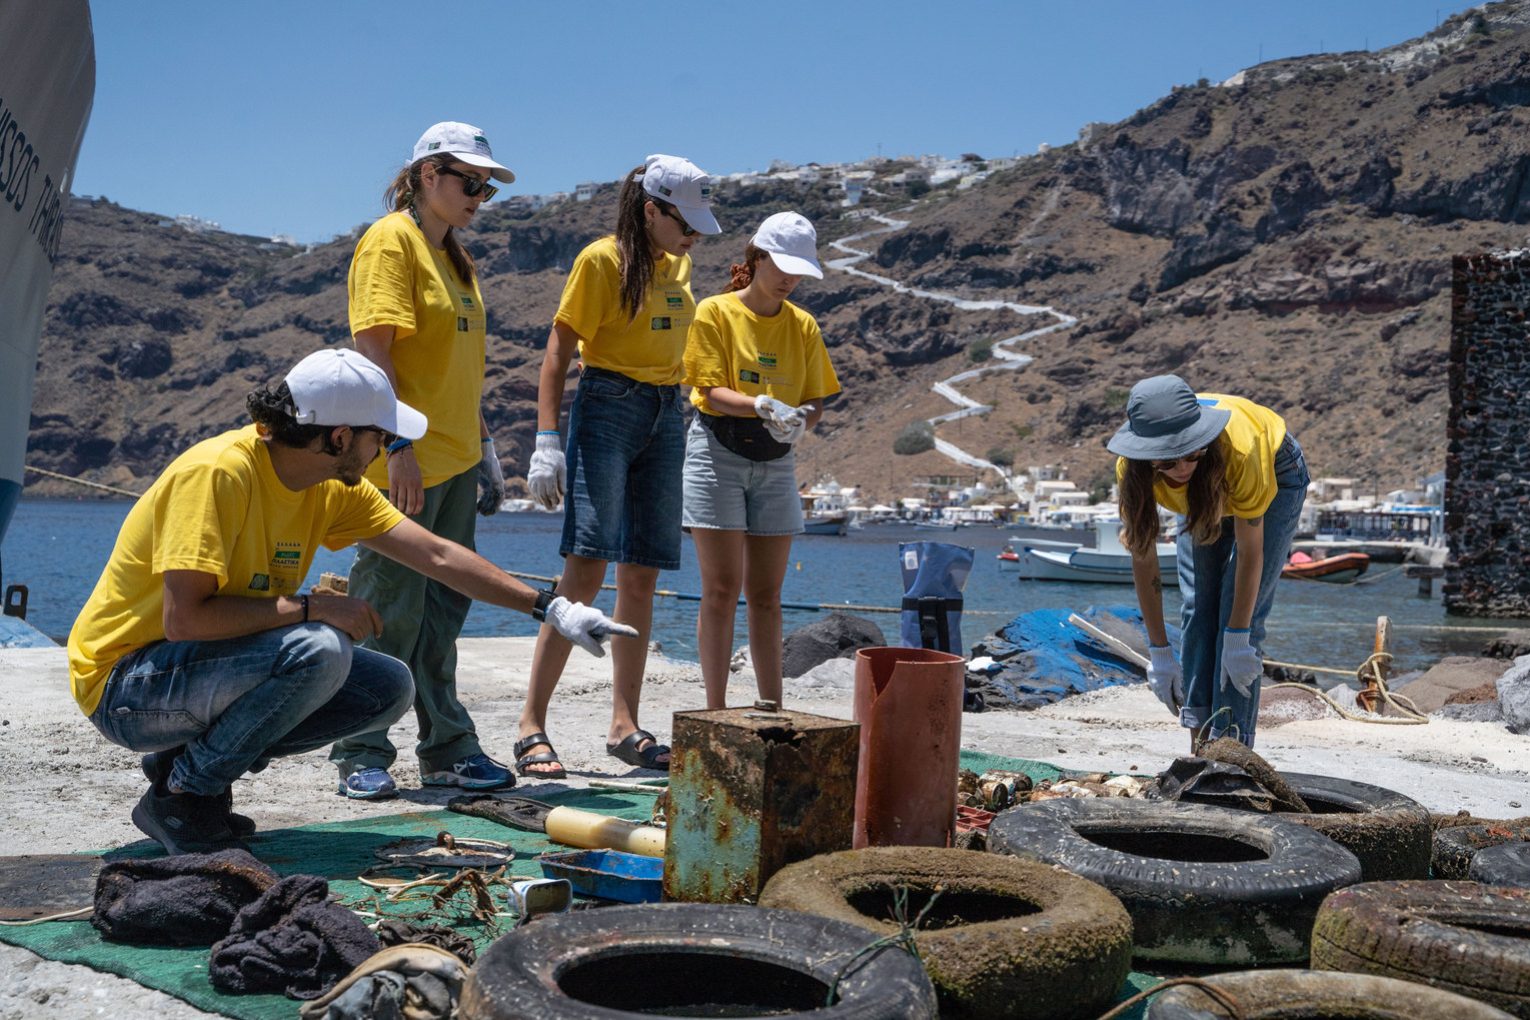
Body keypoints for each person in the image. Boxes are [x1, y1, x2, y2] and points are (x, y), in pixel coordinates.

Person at [66, 349, 635, 855]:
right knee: (318, 649)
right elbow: (184, 619)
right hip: (126, 685)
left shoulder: (330, 487)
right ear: (339, 437)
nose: (385, 449)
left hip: (192, 675)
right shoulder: (217, 475)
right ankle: (185, 795)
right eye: (380, 438)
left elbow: (436, 555)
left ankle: (184, 771)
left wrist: (552, 608)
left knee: (385, 686)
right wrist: (313, 608)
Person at [329, 122, 516, 799]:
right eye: (470, 182)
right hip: (404, 462)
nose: (478, 195)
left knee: (443, 612)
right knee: (388, 606)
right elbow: (372, 350)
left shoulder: (456, 259)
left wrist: (485, 445)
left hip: (457, 460)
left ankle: (448, 747)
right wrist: (398, 444)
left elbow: (456, 370)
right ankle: (358, 747)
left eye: (486, 187)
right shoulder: (391, 243)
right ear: (428, 174)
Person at [518, 154, 722, 778]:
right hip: (607, 404)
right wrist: (546, 440)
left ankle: (624, 725)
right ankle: (532, 725)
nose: (692, 236)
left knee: (642, 574)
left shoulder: (680, 262)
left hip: (666, 412)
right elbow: (559, 351)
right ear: (650, 209)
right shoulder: (601, 260)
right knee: (586, 566)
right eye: (682, 222)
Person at [681, 212, 840, 708]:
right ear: (758, 257)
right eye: (783, 267)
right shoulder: (715, 312)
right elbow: (707, 388)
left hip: (775, 460)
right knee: (722, 589)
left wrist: (801, 420)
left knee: (768, 594)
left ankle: (771, 704)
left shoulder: (803, 325)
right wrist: (760, 404)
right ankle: (715, 708)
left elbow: (816, 400)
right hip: (717, 454)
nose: (790, 279)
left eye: (799, 271)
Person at [1108, 375, 1309, 749]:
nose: (1183, 468)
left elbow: (1251, 553)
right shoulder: (1134, 472)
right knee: (1199, 607)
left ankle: (1231, 754)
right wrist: (1160, 652)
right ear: (1143, 454)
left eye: (1191, 453)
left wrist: (1237, 640)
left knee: (1239, 617)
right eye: (1168, 459)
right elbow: (1144, 558)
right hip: (1210, 481)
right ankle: (1201, 746)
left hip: (1274, 470)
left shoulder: (1240, 454)